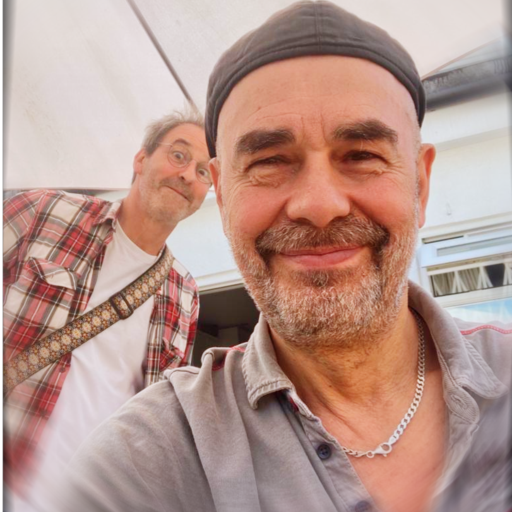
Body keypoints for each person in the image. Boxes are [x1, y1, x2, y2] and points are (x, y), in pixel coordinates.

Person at [59, 3, 512, 512]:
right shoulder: (144, 463)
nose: (319, 205)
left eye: (361, 155)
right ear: (224, 199)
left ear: (421, 185)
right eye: (270, 161)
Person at [2, 111, 212, 512]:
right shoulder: (44, 212)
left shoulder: (185, 293)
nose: (188, 175)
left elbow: (159, 416)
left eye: (204, 171)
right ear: (141, 159)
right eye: (179, 155)